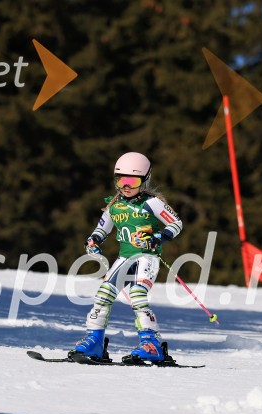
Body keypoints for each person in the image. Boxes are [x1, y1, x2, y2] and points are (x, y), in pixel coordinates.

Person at [70, 152, 183, 362]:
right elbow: (101, 230)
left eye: (133, 180)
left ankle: (152, 344)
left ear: (145, 180)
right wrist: (93, 241)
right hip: (124, 259)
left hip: (146, 258)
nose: (126, 186)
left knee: (138, 296)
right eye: (121, 180)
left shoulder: (152, 203)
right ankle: (95, 341)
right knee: (103, 295)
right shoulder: (114, 205)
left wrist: (157, 238)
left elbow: (176, 223)